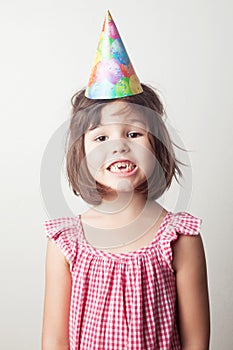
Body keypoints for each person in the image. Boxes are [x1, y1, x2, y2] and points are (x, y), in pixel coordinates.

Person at [42, 11, 210, 350]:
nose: (118, 145)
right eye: (100, 138)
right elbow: (54, 339)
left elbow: (196, 341)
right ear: (81, 154)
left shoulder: (180, 238)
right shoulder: (66, 242)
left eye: (133, 133)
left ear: (156, 146)